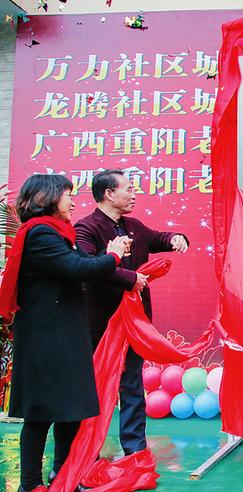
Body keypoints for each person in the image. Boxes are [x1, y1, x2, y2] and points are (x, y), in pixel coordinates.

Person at [0, 174, 127, 492]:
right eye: (68, 195)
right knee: (41, 413)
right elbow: (76, 267)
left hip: (63, 336)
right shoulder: (40, 233)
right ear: (47, 197)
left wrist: (113, 262)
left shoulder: (57, 234)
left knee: (69, 410)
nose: (72, 201)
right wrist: (112, 255)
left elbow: (83, 260)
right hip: (46, 338)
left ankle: (65, 476)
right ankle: (31, 483)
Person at [74, 169, 188, 457]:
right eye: (128, 188)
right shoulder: (86, 228)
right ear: (109, 194)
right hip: (100, 321)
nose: (134, 193)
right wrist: (128, 278)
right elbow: (86, 264)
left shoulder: (134, 226)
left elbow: (159, 238)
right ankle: (83, 450)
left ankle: (135, 450)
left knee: (133, 386)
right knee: (93, 386)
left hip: (133, 322)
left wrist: (177, 237)